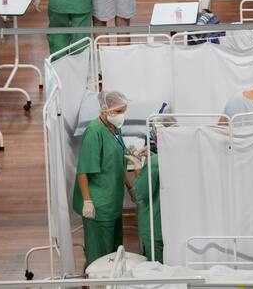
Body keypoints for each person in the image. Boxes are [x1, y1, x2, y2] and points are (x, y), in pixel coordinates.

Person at [72, 90, 134, 268]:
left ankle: (112, 278)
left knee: (114, 250)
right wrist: (87, 201)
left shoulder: (115, 129)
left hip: (112, 201)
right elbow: (83, 171)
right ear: (105, 109)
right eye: (119, 111)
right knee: (99, 254)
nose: (122, 115)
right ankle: (96, 279)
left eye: (124, 111)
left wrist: (131, 188)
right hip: (98, 205)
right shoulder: (94, 132)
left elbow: (119, 163)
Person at [127, 116, 176, 263]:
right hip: (176, 224)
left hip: (156, 227)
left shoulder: (154, 163)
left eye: (154, 133)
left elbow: (139, 194)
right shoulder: (184, 156)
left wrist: (138, 168)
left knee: (156, 268)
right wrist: (153, 156)